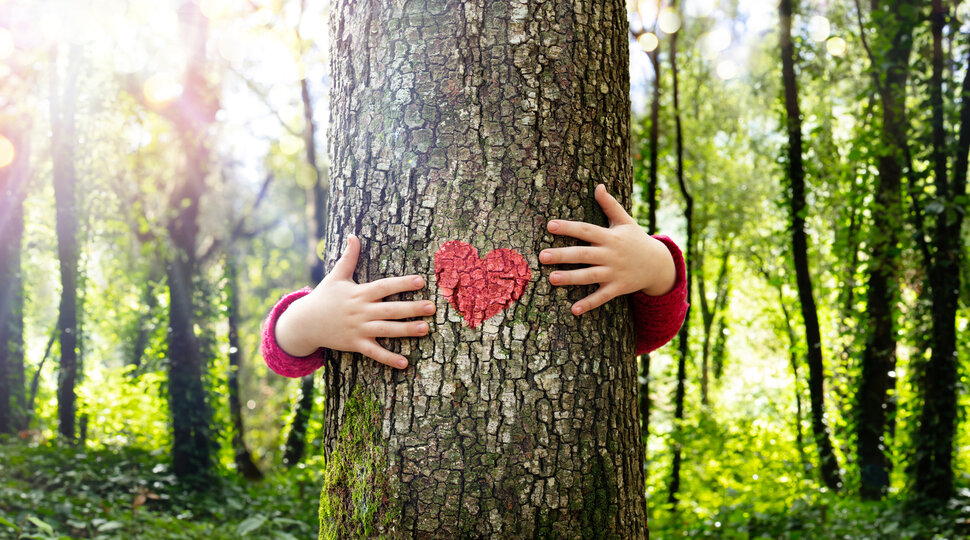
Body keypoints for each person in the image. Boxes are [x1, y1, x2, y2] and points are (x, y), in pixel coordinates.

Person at [261, 184, 688, 378]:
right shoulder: (345, 313)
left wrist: (654, 263)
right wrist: (308, 321)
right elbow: (281, 352)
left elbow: (650, 331)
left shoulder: (614, 273)